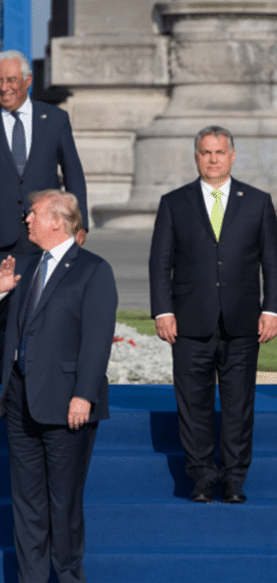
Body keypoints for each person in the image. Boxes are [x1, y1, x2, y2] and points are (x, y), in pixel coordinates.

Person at [0, 190, 116, 583]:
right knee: (27, 505)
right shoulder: (25, 265)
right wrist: (1, 292)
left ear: (57, 221)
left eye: (34, 214)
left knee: (64, 504)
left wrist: (84, 395)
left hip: (67, 403)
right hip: (20, 402)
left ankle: (70, 576)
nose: (27, 220)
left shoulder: (93, 269)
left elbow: (97, 339)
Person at [148, 125, 277, 504]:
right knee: (193, 403)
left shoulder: (257, 201)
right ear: (196, 157)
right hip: (189, 322)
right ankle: (202, 476)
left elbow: (272, 260)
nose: (213, 158)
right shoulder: (174, 202)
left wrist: (271, 308)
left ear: (232, 156)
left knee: (239, 404)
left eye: (220, 152)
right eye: (206, 152)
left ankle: (234, 479)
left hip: (243, 321)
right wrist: (162, 310)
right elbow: (160, 263)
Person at [0, 49, 88, 382]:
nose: (4, 87)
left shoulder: (54, 120)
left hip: (49, 234)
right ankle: (6, 387)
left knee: (50, 310)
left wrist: (79, 222)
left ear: (28, 81)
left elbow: (73, 173)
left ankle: (45, 381)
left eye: (11, 79)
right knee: (2, 315)